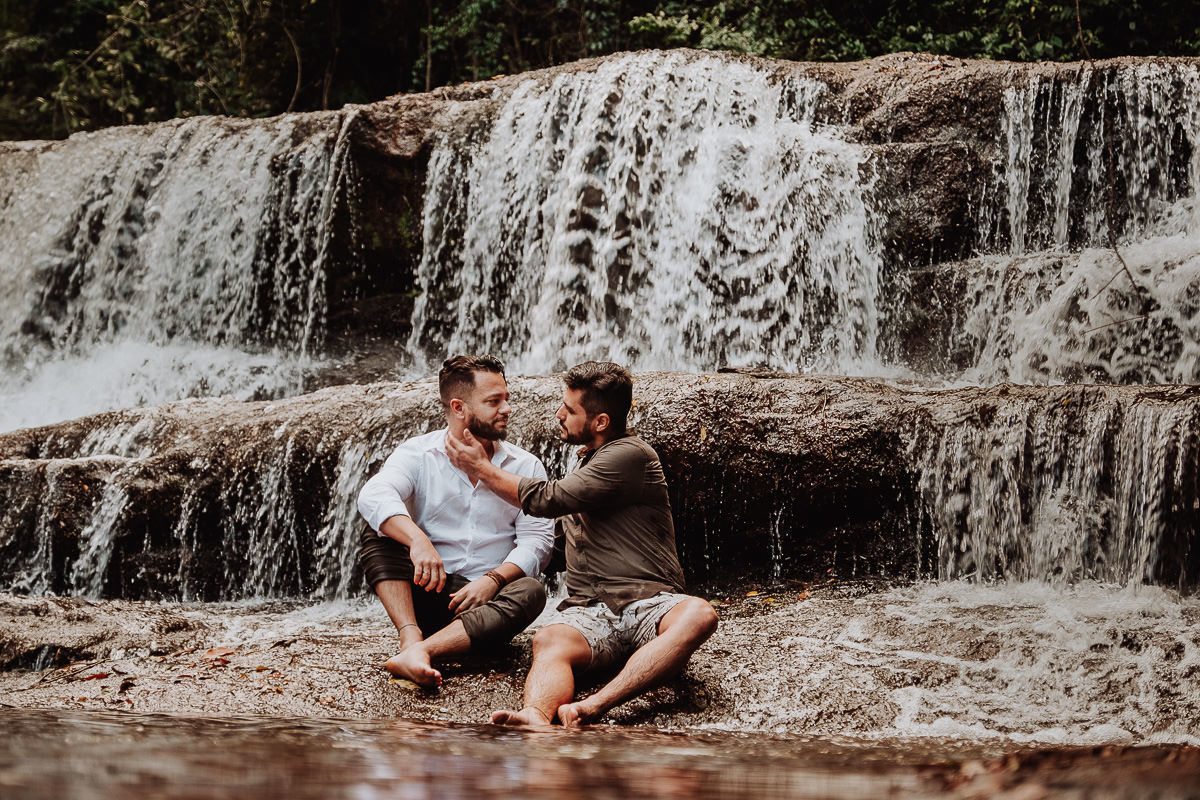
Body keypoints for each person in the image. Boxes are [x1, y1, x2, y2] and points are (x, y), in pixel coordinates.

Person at [445, 361, 719, 727]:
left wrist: (481, 468)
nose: (559, 415)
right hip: (589, 614)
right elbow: (550, 545)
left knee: (699, 614)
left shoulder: (631, 455)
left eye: (569, 409)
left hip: (649, 603)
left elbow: (549, 498)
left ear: (601, 421)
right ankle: (535, 715)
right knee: (549, 640)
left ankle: (593, 706)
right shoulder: (588, 464)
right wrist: (489, 574)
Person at [357, 354, 554, 688]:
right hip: (428, 587)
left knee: (531, 591)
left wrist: (493, 579)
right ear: (459, 408)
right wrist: (418, 540)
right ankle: (410, 636)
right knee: (380, 526)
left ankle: (423, 652)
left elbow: (538, 542)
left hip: (486, 605)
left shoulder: (525, 465)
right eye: (493, 401)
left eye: (506, 399)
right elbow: (374, 494)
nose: (507, 409)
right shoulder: (418, 453)